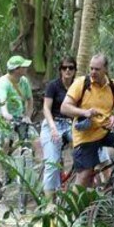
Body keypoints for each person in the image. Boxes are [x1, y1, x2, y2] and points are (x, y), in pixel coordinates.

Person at [61, 53, 114, 187]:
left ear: (106, 69)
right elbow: (64, 107)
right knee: (84, 176)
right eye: (91, 68)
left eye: (97, 69)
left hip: (106, 130)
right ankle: (73, 207)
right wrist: (85, 112)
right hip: (85, 136)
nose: (93, 72)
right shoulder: (81, 83)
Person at [0, 55, 40, 200]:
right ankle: (0, 178)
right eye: (23, 66)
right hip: (4, 120)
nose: (26, 68)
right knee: (4, 145)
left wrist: (28, 116)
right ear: (17, 70)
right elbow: (2, 104)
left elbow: (29, 99)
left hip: (21, 119)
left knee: (37, 142)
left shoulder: (23, 81)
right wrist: (6, 115)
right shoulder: (2, 84)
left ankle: (38, 173)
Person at [40, 56, 77, 199]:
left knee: (89, 154)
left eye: (71, 68)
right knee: (52, 164)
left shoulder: (78, 86)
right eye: (64, 68)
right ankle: (50, 207)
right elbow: (46, 108)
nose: (67, 70)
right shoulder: (53, 86)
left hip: (71, 125)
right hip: (53, 123)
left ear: (75, 70)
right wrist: (53, 128)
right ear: (60, 70)